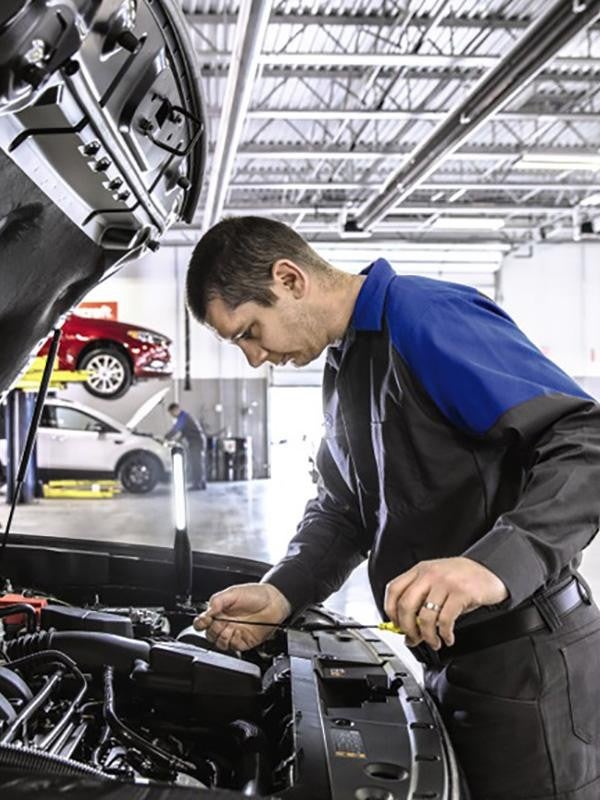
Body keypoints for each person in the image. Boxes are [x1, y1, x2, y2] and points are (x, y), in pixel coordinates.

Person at [185, 216, 600, 799]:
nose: (254, 358)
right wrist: (281, 593)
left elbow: (585, 441)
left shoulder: (425, 317)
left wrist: (492, 563)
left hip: (528, 664)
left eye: (250, 331)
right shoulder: (346, 364)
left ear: (289, 279)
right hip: (454, 664)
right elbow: (343, 510)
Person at [165, 402, 207, 490]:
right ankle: (201, 483)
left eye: (171, 413)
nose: (172, 415)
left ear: (176, 410)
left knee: (196, 463)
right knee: (198, 462)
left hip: (196, 442)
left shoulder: (183, 417)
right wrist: (178, 440)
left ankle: (197, 484)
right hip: (197, 441)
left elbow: (176, 429)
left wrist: (166, 437)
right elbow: (184, 432)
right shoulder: (185, 416)